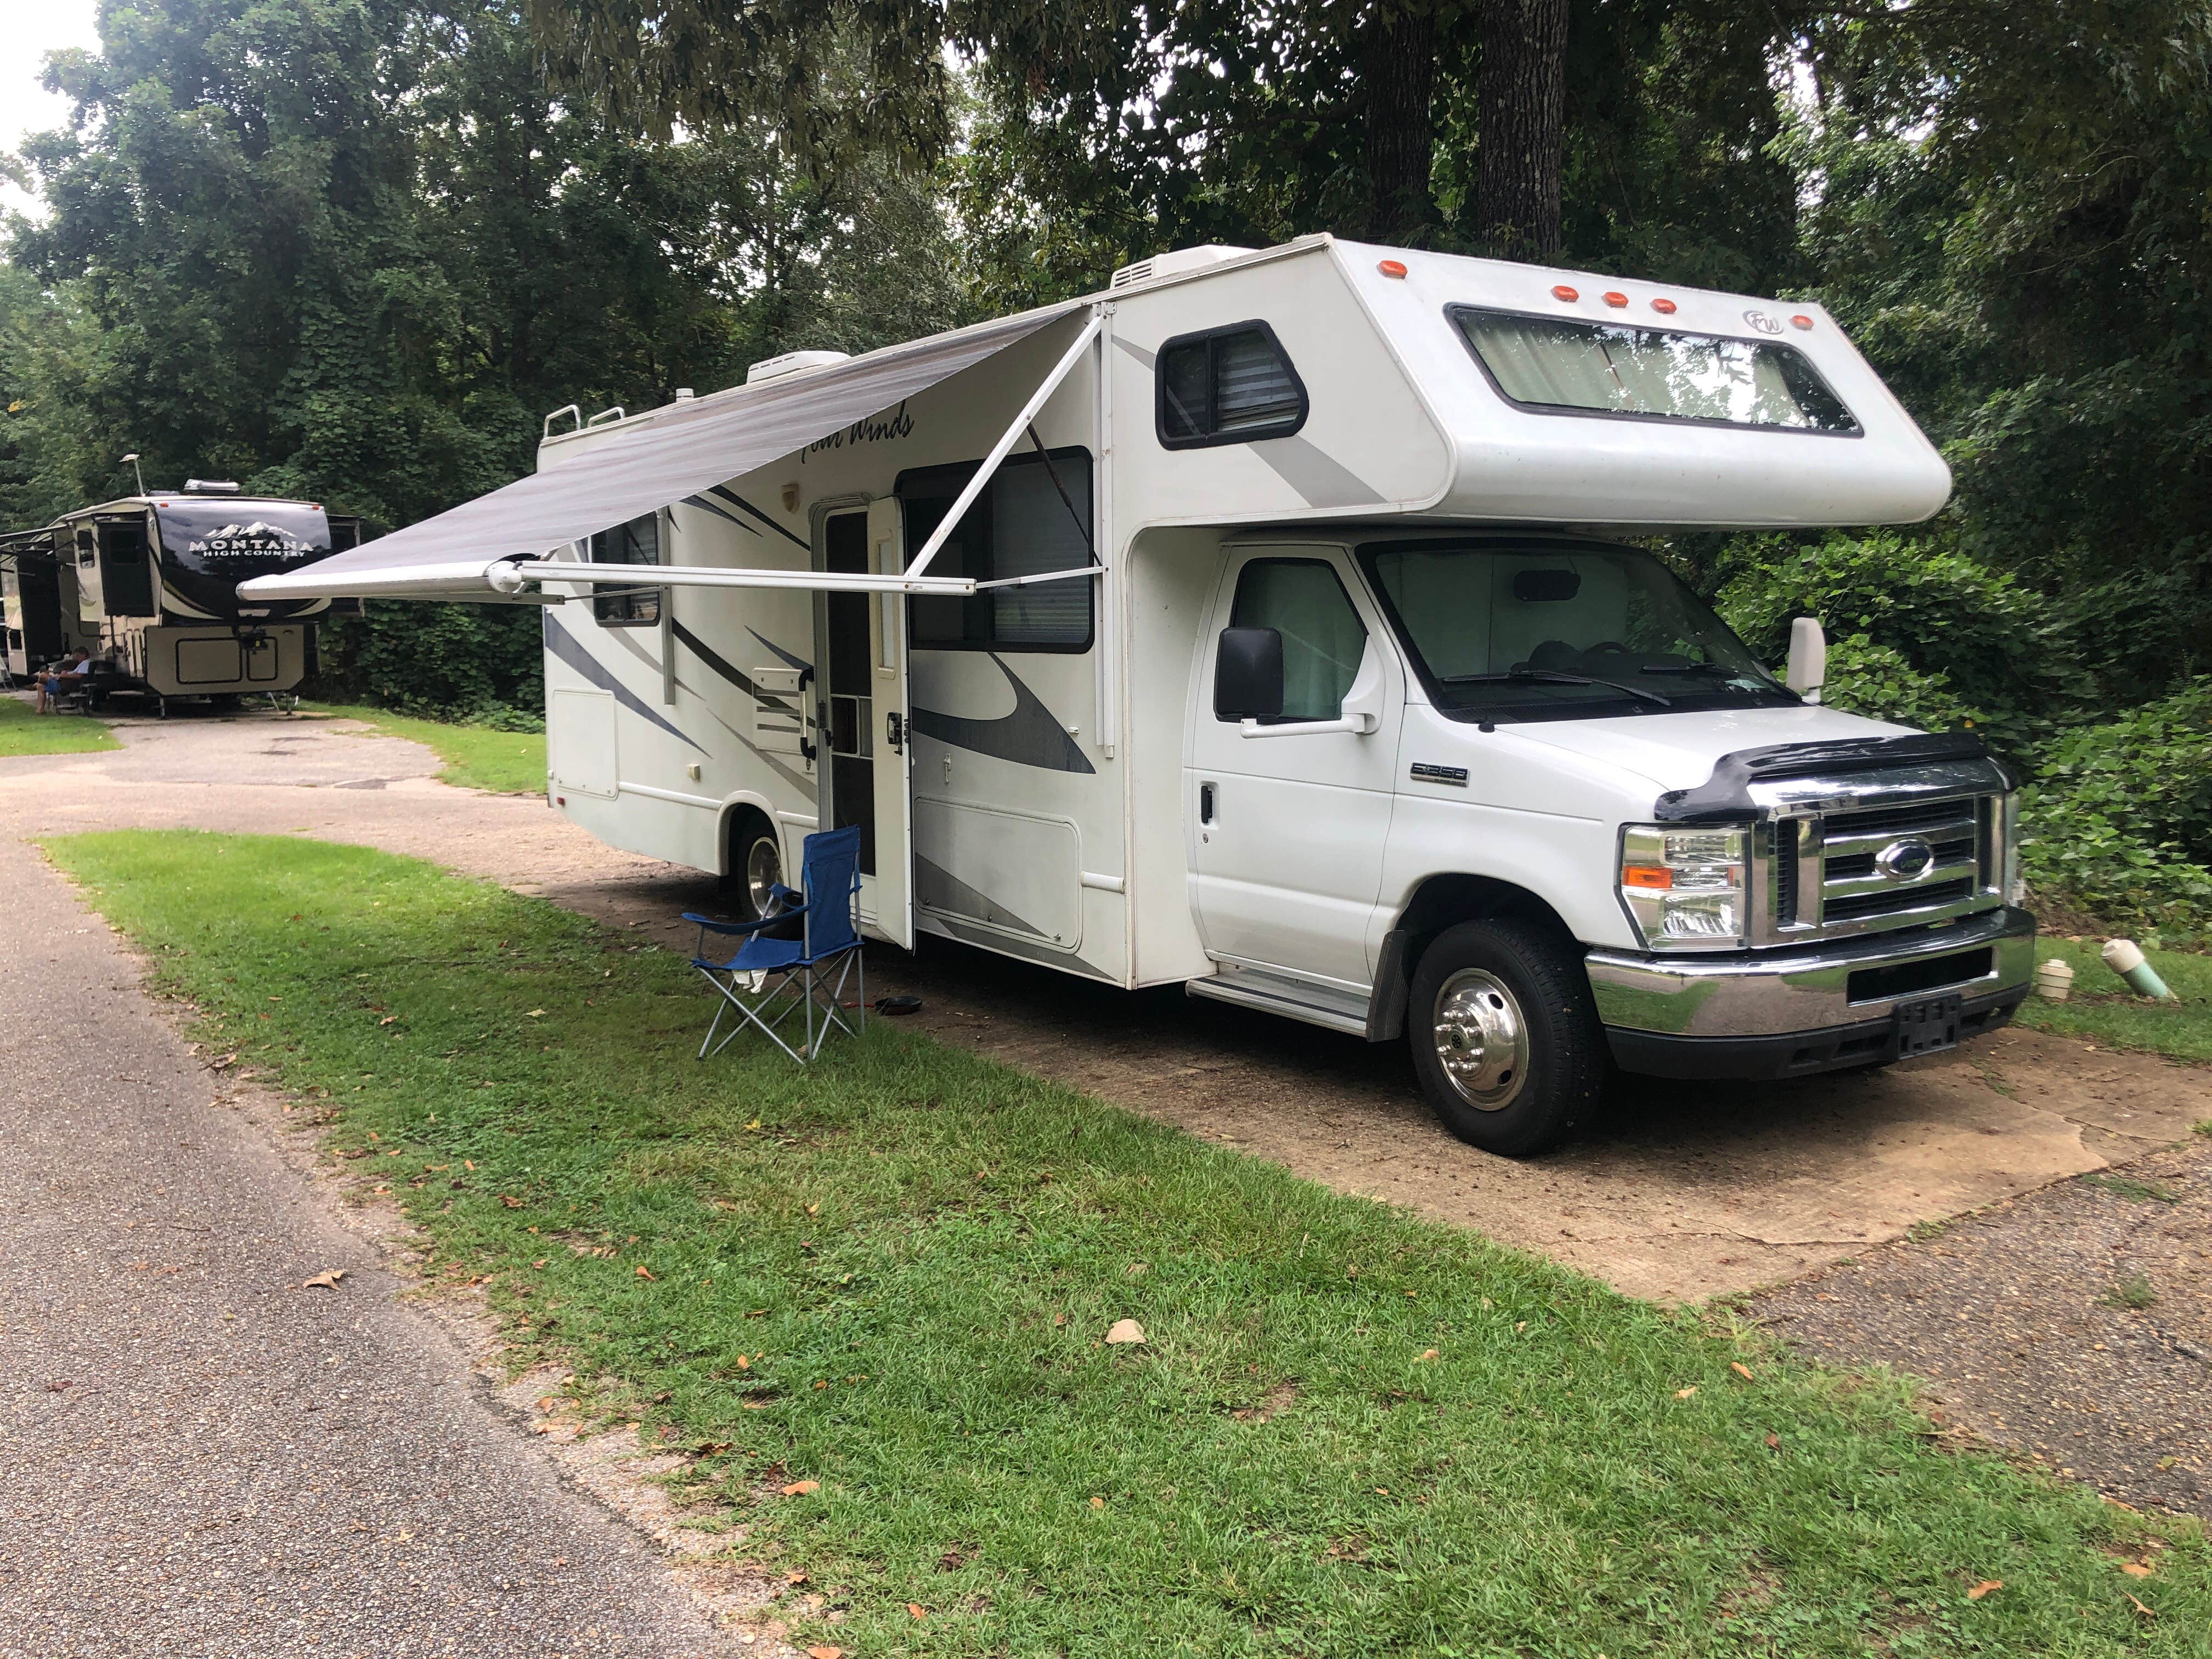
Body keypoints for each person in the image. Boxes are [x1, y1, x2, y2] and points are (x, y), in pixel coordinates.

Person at [32, 648, 91, 714]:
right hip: (63, 683)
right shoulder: (82, 664)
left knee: (43, 675)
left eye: (77, 656)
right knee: (40, 687)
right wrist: (65, 673)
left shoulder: (86, 663)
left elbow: (79, 676)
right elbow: (76, 673)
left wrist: (62, 676)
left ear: (84, 655)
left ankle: (34, 685)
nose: (76, 658)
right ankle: (40, 711)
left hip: (66, 686)